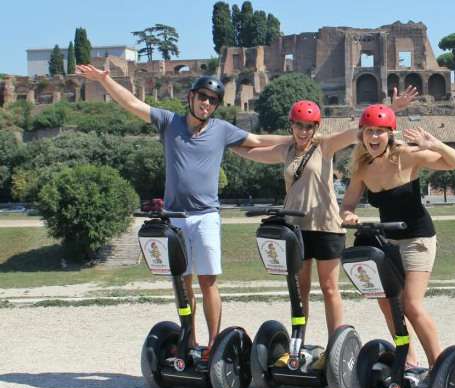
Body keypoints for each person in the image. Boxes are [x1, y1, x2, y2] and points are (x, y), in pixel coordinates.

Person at [76, 64, 286, 358]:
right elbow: (132, 103)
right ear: (191, 97)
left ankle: (215, 345)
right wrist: (105, 81)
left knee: (208, 281)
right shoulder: (168, 122)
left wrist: (300, 140)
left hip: (206, 217)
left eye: (213, 100)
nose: (206, 103)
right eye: (202, 97)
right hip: (175, 218)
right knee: (182, 282)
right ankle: (189, 339)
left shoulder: (222, 130)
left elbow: (259, 141)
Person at [233, 88, 417, 340]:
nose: (304, 131)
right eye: (299, 126)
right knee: (301, 290)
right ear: (292, 126)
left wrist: (391, 109)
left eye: (309, 127)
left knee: (330, 289)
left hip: (327, 227)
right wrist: (223, 141)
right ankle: (299, 341)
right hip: (296, 228)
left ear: (316, 127)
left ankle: (335, 343)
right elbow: (250, 151)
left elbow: (359, 131)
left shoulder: (325, 146)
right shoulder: (284, 151)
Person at [340, 104, 455, 388]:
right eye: (369, 132)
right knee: (387, 303)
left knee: (410, 303)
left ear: (389, 134)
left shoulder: (406, 156)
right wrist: (348, 216)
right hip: (388, 240)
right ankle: (409, 360)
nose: (374, 137)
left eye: (379, 133)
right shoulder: (362, 169)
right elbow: (347, 204)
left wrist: (435, 144)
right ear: (362, 135)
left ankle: (440, 368)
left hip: (418, 238)